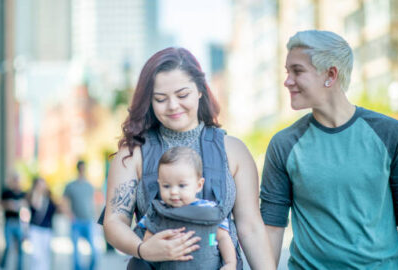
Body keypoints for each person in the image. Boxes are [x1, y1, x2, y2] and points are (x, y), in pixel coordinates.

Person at [260, 30, 398, 269]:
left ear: (330, 74)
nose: (287, 81)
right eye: (287, 72)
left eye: (297, 71)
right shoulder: (284, 144)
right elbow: (272, 226)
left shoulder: (391, 133)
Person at [99, 47, 275, 270]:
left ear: (200, 91)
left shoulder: (234, 151)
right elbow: (114, 222)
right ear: (149, 101)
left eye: (182, 95)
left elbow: (250, 227)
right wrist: (143, 249)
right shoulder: (132, 154)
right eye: (161, 99)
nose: (173, 105)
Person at [137, 146, 236, 270]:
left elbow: (223, 238)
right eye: (166, 186)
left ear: (199, 185)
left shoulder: (209, 210)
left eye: (182, 185)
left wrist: (230, 263)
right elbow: (147, 240)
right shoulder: (158, 211)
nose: (173, 192)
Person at [63, 160, 97, 270]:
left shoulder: (89, 186)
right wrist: (69, 215)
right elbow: (64, 202)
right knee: (76, 254)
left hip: (88, 221)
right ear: (78, 169)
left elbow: (93, 203)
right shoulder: (71, 186)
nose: (83, 170)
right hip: (76, 222)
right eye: (81, 168)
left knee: (95, 252)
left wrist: (96, 218)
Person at [27, 177, 57, 270]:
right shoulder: (32, 196)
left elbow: (55, 210)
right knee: (36, 255)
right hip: (35, 229)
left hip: (47, 229)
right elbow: (34, 207)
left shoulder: (49, 199)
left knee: (45, 255)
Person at [0, 173, 26, 270]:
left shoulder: (23, 194)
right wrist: (9, 205)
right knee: (8, 246)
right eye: (15, 181)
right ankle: (3, 265)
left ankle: (19, 268)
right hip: (9, 222)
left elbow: (25, 206)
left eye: (18, 181)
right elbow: (1, 204)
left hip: (18, 222)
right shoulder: (6, 192)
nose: (16, 183)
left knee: (20, 248)